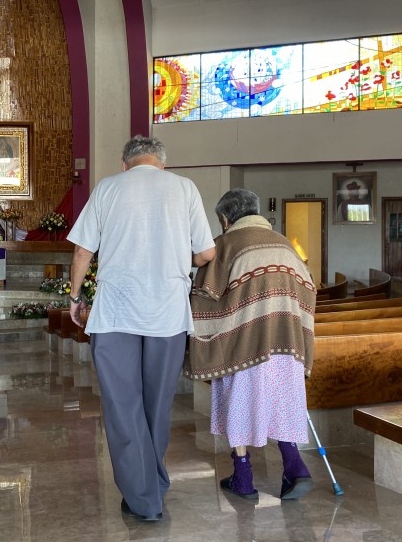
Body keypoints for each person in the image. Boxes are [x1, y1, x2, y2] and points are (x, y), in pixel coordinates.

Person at [67, 135, 216, 522]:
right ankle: (153, 485)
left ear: (124, 163)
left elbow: (83, 251)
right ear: (162, 164)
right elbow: (206, 253)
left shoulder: (108, 188)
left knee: (122, 405)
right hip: (167, 314)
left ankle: (144, 497)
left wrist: (74, 297)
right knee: (157, 404)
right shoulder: (185, 188)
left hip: (116, 313)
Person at [184, 188, 316, 501]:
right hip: (286, 340)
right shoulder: (285, 244)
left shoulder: (224, 245)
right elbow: (308, 287)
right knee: (283, 400)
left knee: (238, 404)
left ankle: (243, 478)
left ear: (225, 219)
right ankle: (295, 466)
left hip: (242, 343)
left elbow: (204, 295)